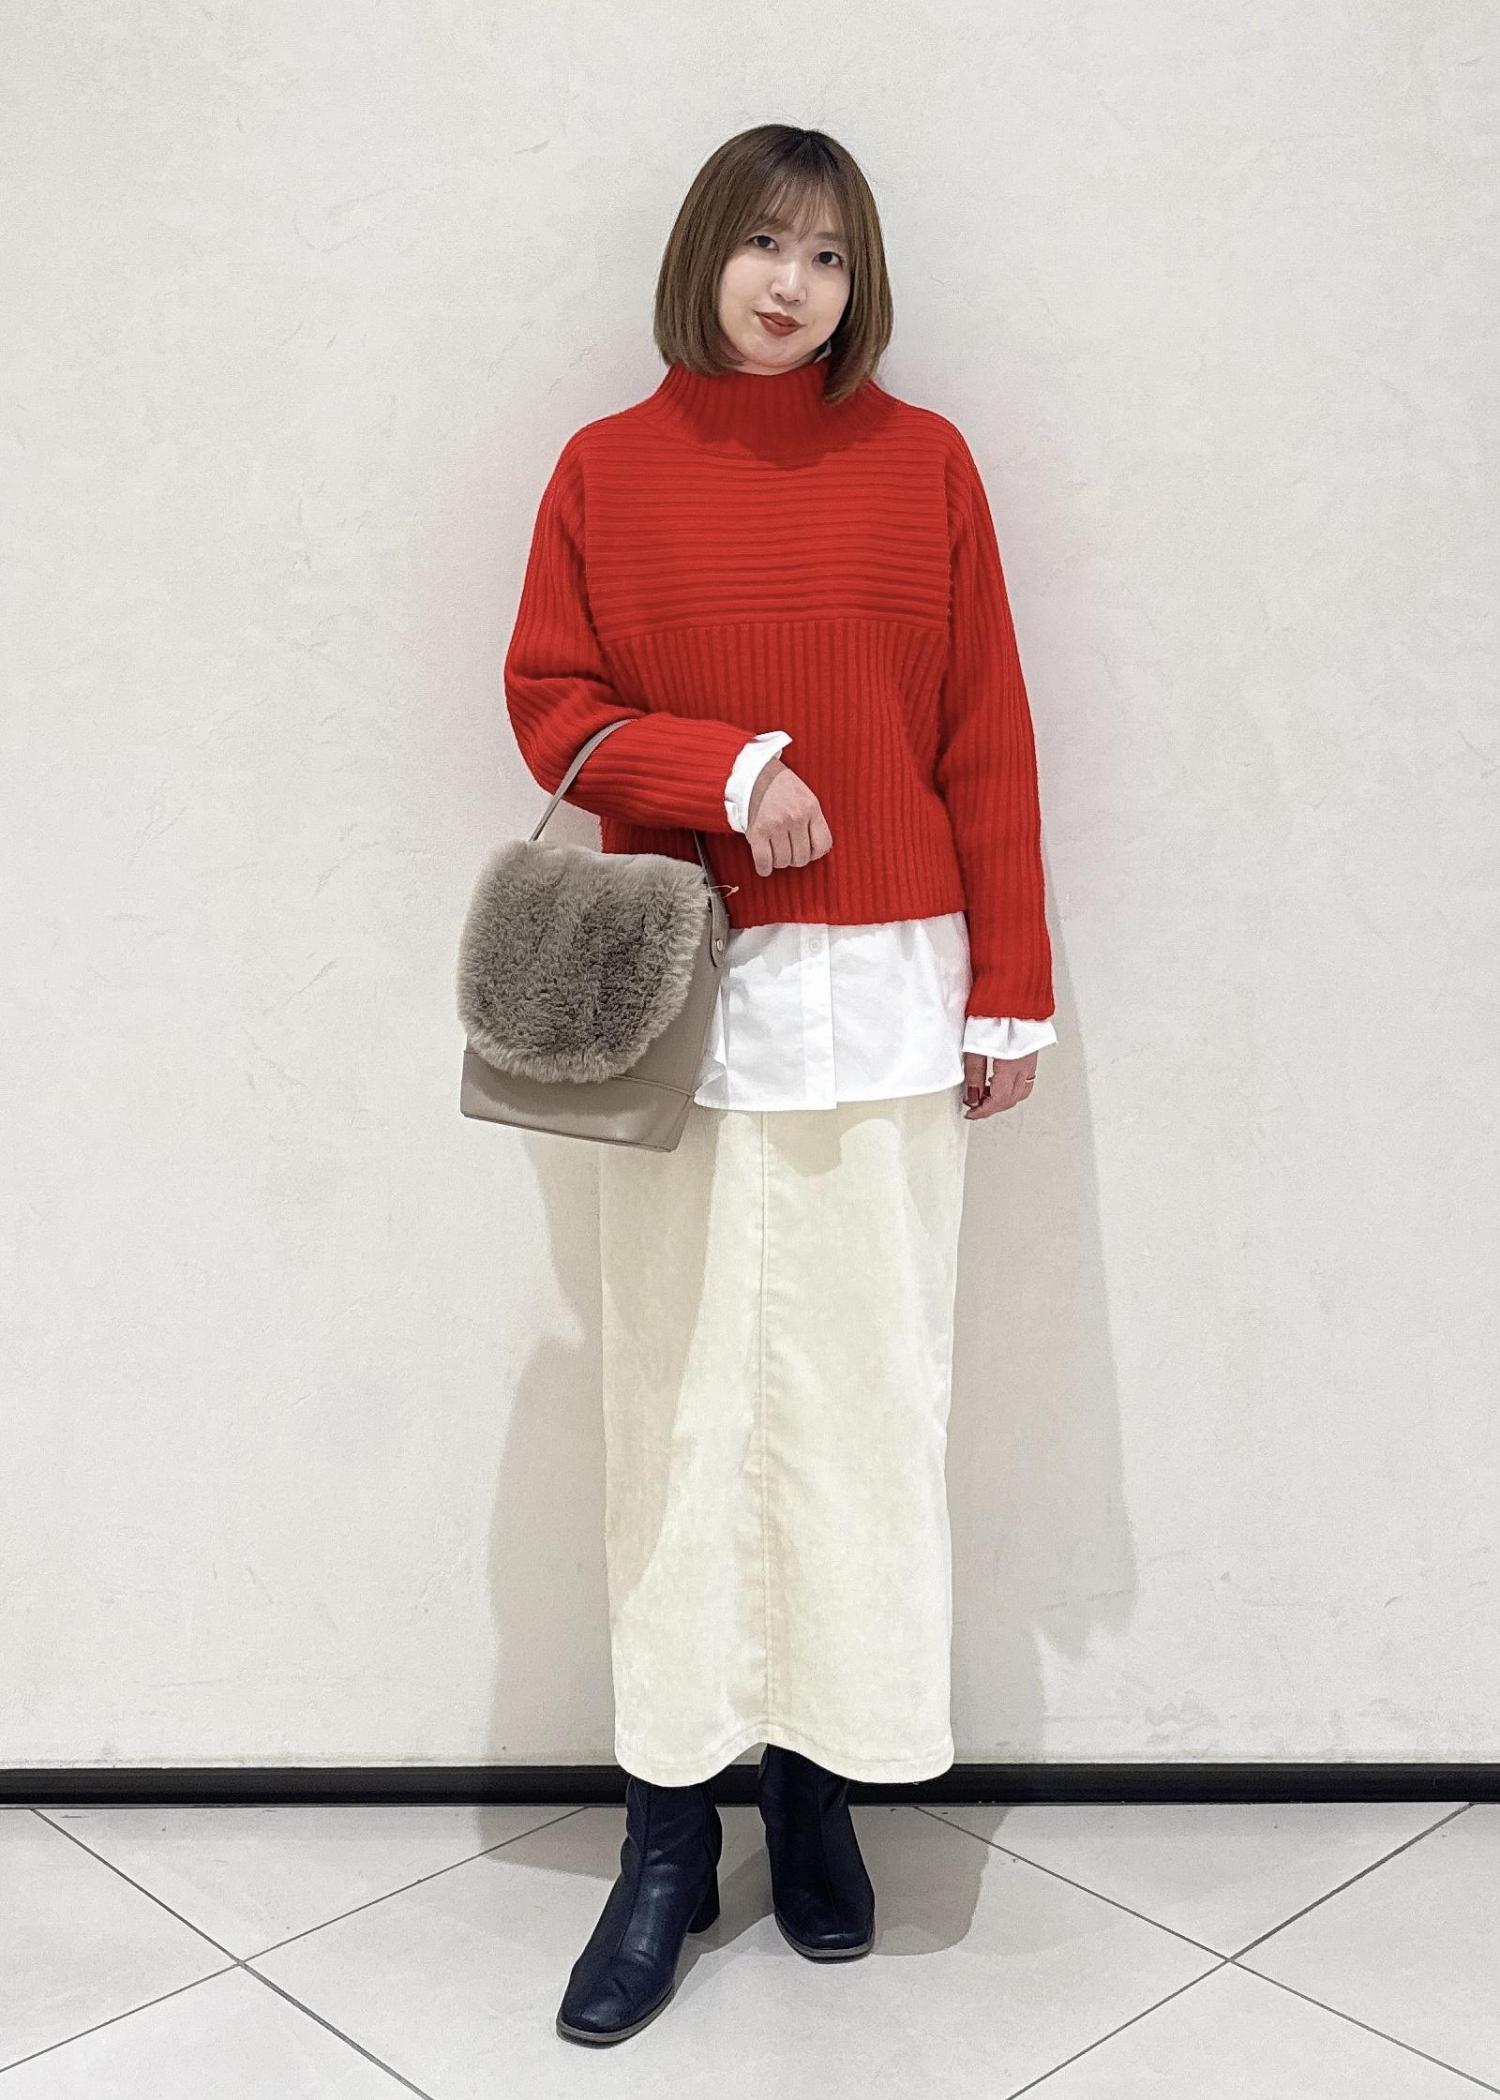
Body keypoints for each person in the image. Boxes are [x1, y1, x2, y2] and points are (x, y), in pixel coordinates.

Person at [502, 122, 1056, 2046]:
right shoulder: (606, 470)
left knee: (861, 1404)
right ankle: (669, 1828)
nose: (789, 285)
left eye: (825, 255)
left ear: (857, 282)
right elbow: (554, 707)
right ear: (703, 256)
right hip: (686, 1004)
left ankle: (819, 1784)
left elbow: (984, 731)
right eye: (760, 243)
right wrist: (729, 769)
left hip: (893, 996)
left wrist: (1012, 991)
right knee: (675, 1408)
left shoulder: (928, 468)